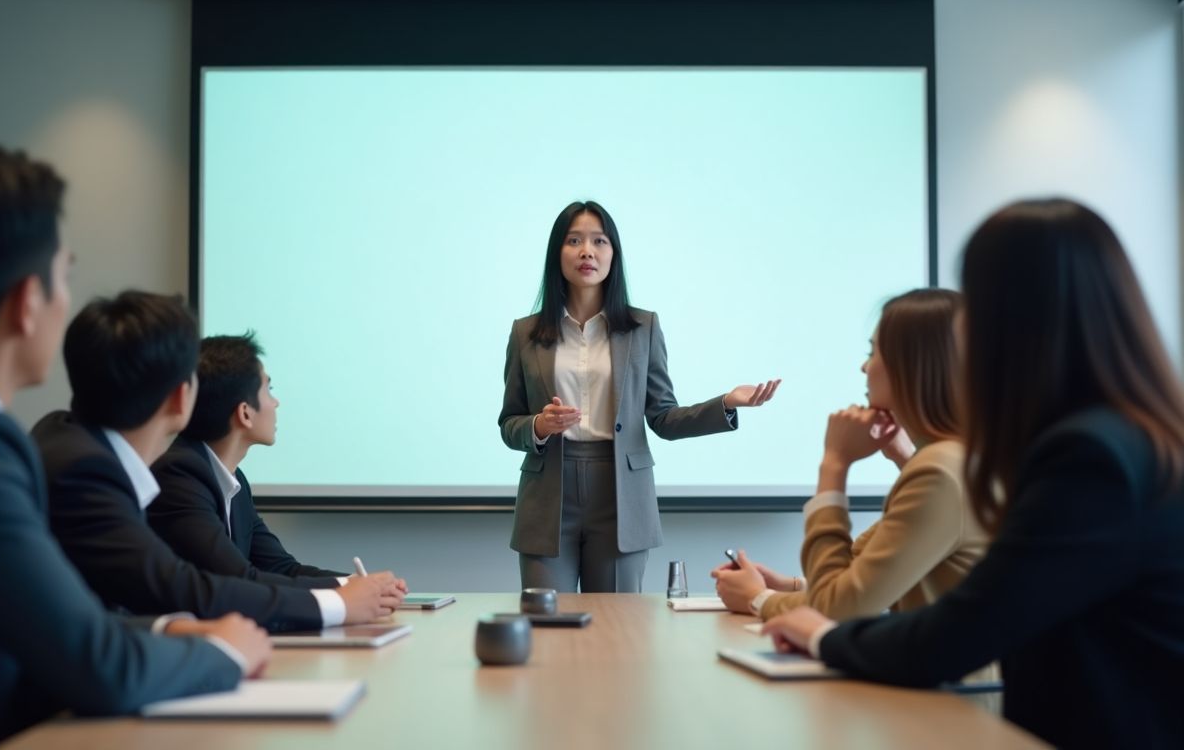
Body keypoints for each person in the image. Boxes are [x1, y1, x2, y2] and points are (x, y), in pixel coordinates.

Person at [763, 198, 1184, 748]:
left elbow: (961, 629)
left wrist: (823, 637)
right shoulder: (1127, 436)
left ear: (1012, 320)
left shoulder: (1089, 458)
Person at [0, 147, 270, 748]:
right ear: (29, 303)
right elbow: (99, 665)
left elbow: (53, 624)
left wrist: (165, 630)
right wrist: (224, 653)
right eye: (64, 276)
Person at [32, 291, 406, 633]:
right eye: (269, 389)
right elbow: (188, 587)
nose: (275, 402)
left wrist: (356, 590)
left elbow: (274, 568)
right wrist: (339, 603)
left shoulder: (69, 443)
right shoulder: (103, 472)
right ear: (182, 397)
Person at [499, 200, 779, 592]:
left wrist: (726, 403)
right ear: (556, 253)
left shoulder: (642, 328)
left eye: (599, 241)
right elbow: (509, 424)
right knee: (546, 628)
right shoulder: (525, 333)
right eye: (574, 240)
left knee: (616, 632)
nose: (587, 251)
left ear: (613, 253)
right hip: (547, 498)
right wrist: (539, 426)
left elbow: (663, 417)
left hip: (620, 498)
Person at [713, 289, 989, 623]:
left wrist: (835, 463)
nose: (863, 367)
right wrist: (789, 586)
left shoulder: (941, 472)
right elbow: (862, 576)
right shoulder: (958, 460)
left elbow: (836, 609)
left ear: (912, 367)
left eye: (873, 352)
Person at [148, 333, 359, 587]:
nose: (276, 402)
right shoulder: (180, 475)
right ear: (245, 413)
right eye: (269, 390)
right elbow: (237, 579)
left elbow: (282, 568)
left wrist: (356, 583)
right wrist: (349, 590)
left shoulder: (234, 481)